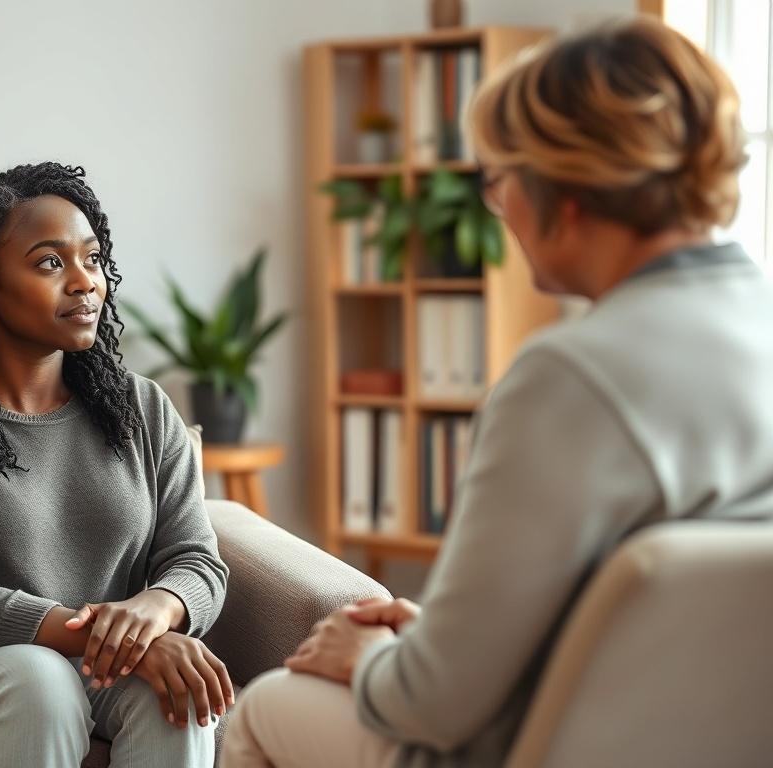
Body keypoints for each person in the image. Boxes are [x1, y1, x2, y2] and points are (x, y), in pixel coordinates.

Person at [223, 16, 773, 768]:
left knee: (266, 708)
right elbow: (665, 630)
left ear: (564, 196)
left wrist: (369, 657)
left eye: (498, 181)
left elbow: (433, 706)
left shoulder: (569, 378)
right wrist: (440, 635)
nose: (495, 206)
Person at [0, 161, 233, 768]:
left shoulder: (143, 407)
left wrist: (158, 611)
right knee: (42, 682)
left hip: (100, 661)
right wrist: (130, 643)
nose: (84, 282)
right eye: (49, 263)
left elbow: (197, 559)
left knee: (180, 694)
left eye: (91, 259)